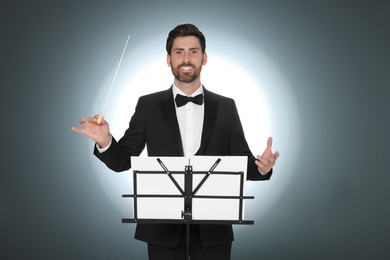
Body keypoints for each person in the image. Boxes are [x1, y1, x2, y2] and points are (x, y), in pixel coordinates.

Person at [72, 23, 279, 260]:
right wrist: (106, 141)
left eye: (193, 51)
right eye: (179, 52)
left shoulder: (226, 107)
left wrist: (262, 168)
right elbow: (123, 161)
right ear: (168, 59)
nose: (186, 58)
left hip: (214, 230)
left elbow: (242, 162)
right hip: (162, 229)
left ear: (205, 57)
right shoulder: (147, 105)